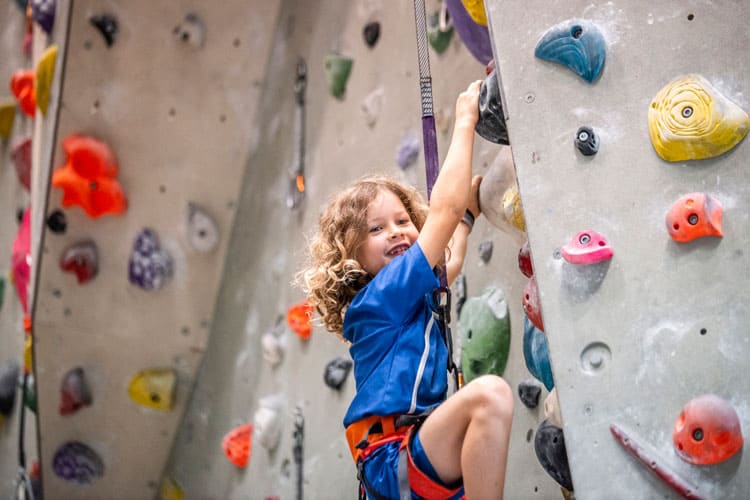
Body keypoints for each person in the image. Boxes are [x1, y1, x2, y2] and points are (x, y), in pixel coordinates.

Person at [301, 80, 513, 500]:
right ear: (352, 254)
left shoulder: (406, 295)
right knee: (489, 396)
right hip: (391, 457)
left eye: (402, 221)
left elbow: (447, 264)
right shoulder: (380, 297)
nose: (396, 233)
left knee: (487, 401)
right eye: (376, 229)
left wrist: (466, 220)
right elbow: (444, 211)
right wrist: (467, 118)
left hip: (412, 454)